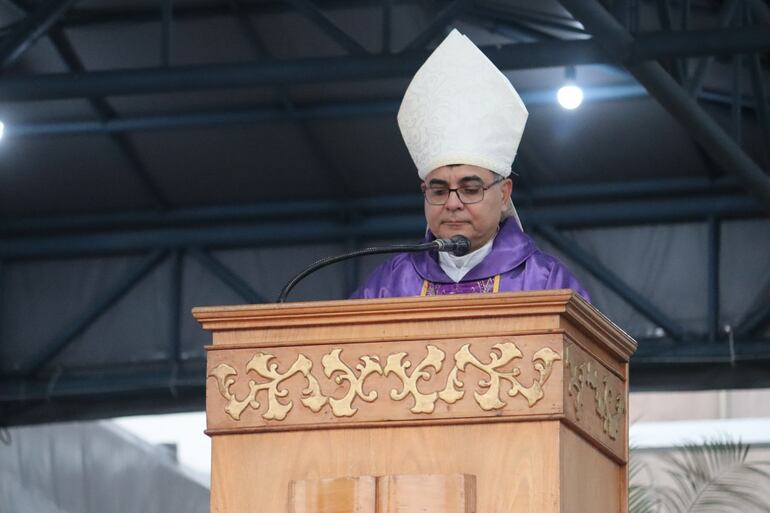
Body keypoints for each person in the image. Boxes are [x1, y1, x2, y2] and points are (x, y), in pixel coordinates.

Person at [351, 29, 589, 301]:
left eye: (471, 189)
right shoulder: (390, 284)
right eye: (439, 191)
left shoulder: (545, 283)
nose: (452, 204)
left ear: (504, 194)